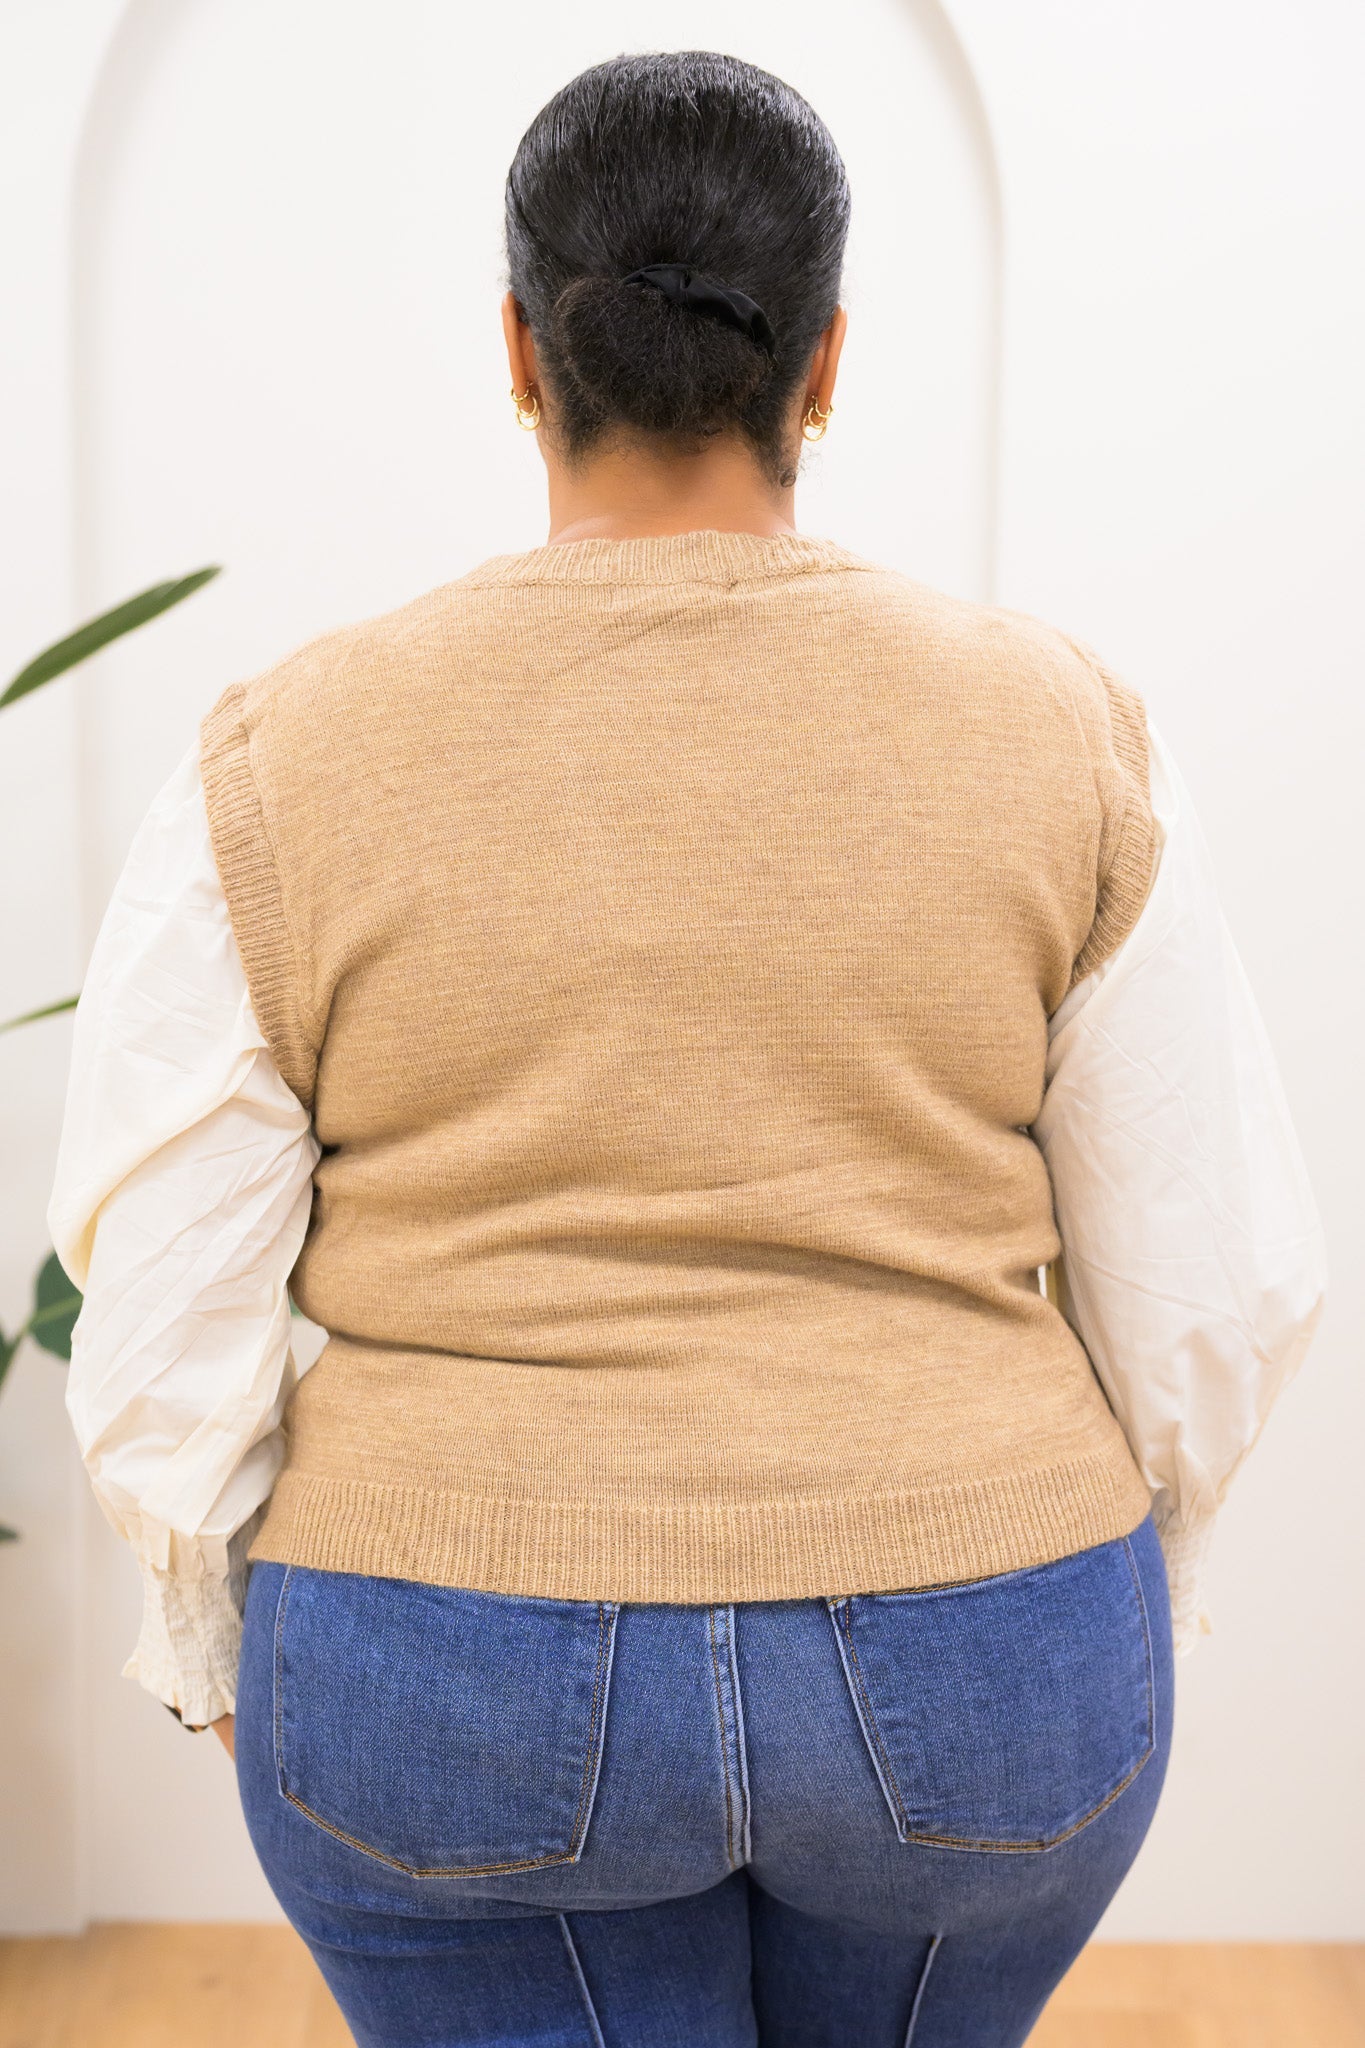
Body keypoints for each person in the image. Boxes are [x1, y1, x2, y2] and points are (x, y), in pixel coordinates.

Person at [49, 48, 1325, 2048]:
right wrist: (1060, 1595)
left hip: (440, 1657)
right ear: (821, 365)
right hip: (979, 1659)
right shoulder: (1059, 726)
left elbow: (162, 1286)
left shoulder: (282, 753)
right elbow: (1207, 1281)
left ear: (513, 349)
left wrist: (213, 1623)